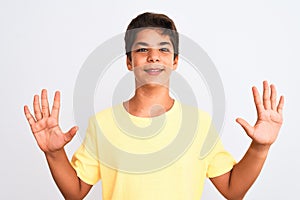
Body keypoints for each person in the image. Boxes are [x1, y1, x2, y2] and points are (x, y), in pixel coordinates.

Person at [24, 12, 284, 200]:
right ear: (129, 62)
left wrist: (260, 147)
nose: (153, 56)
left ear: (175, 61)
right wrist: (54, 154)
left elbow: (233, 189)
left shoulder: (198, 124)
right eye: (142, 49)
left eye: (163, 49)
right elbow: (76, 192)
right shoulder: (103, 124)